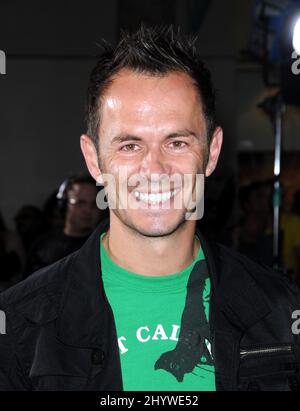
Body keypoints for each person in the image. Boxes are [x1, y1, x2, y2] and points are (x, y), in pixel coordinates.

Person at [0, 26, 300, 391]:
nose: (155, 170)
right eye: (129, 146)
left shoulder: (282, 311)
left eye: (176, 142)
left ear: (213, 151)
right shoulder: (19, 325)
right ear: (94, 159)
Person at [24, 175, 104, 276]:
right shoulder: (43, 243)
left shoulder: (104, 245)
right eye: (80, 203)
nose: (88, 211)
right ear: (63, 204)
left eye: (94, 204)